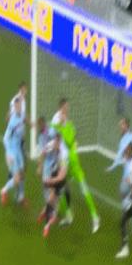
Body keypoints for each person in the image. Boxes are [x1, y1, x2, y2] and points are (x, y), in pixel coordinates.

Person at [51, 98, 100, 233]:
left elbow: (70, 139)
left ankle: (95, 217)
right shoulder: (57, 122)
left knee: (84, 189)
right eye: (65, 108)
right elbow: (56, 137)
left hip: (74, 162)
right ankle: (68, 215)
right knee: (61, 189)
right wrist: (60, 128)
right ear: (60, 109)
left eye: (67, 108)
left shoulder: (68, 123)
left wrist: (64, 128)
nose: (67, 110)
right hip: (64, 162)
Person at [38, 133, 69, 238]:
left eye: (56, 143)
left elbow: (62, 176)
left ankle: (46, 214)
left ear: (59, 142)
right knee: (51, 200)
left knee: (55, 200)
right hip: (54, 173)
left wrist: (51, 181)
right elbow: (42, 153)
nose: (54, 145)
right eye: (54, 142)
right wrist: (40, 166)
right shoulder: (51, 144)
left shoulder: (64, 154)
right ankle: (47, 225)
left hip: (60, 179)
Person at [0, 97, 26, 206]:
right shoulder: (12, 121)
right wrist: (9, 154)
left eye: (20, 105)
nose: (19, 107)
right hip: (12, 152)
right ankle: (3, 191)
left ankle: (20, 197)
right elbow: (5, 138)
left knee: (22, 173)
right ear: (14, 107)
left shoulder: (22, 115)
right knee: (16, 178)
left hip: (18, 150)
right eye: (17, 106)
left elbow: (22, 129)